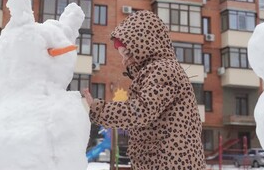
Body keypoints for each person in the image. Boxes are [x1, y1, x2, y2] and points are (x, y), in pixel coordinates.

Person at [83, 10, 205, 169]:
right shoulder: (159, 70)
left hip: (170, 162)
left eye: (127, 53)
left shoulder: (163, 70)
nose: (124, 61)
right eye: (122, 55)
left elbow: (141, 111)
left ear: (145, 45)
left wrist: (100, 110)